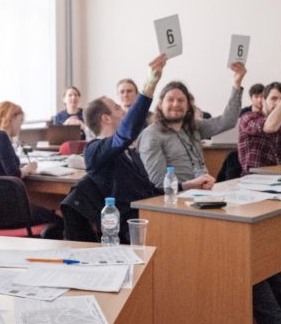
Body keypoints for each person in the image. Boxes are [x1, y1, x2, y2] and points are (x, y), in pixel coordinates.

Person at [84, 55, 167, 242]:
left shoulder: (127, 151)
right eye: (116, 107)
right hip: (131, 226)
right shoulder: (94, 151)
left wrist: (184, 187)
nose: (122, 110)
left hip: (149, 211)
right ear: (106, 118)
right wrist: (149, 86)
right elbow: (125, 134)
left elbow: (148, 188)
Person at [138, 62, 246, 189]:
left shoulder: (194, 127)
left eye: (181, 100)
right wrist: (192, 185)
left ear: (188, 105)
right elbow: (159, 183)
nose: (176, 104)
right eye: (170, 100)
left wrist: (237, 84)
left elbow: (227, 121)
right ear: (161, 105)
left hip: (204, 193)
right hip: (175, 199)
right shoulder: (151, 134)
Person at [0, 101, 62, 229]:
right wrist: (28, 169)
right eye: (20, 121)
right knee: (58, 220)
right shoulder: (1, 136)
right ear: (11, 119)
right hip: (9, 211)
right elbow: (14, 175)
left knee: (50, 213)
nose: (20, 126)